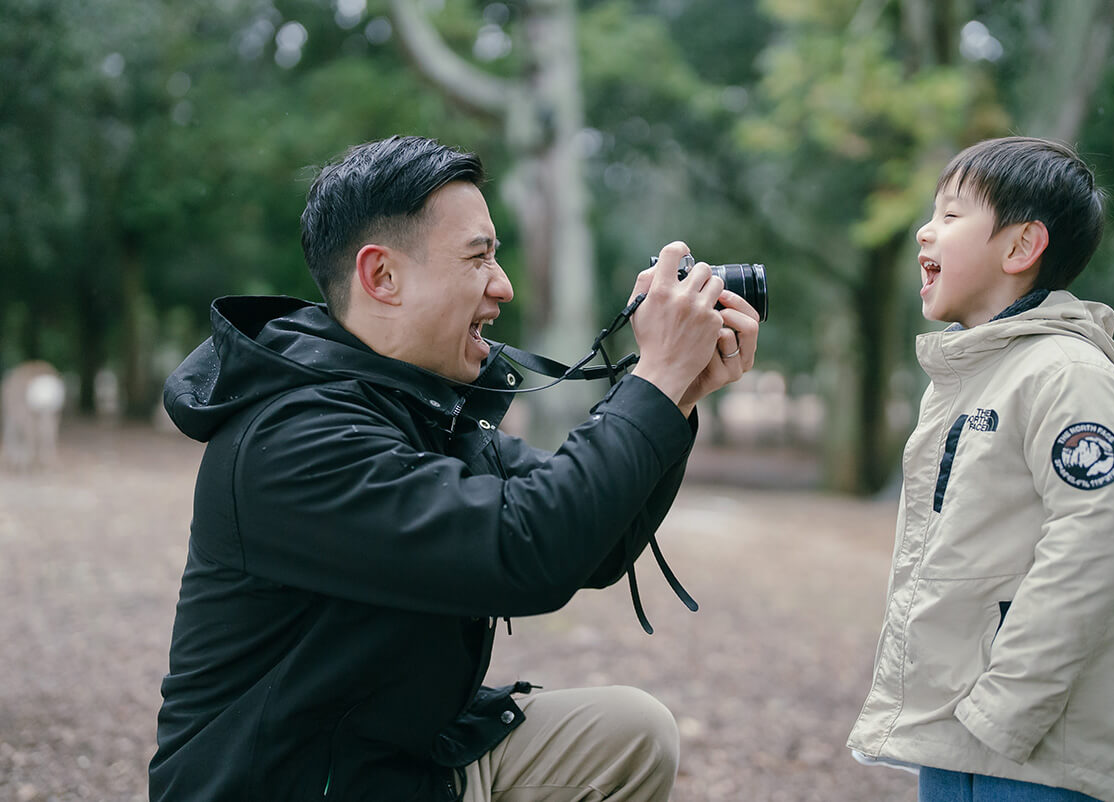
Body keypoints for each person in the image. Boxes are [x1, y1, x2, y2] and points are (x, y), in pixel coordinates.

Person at [148, 134, 759, 802]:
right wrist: (654, 382)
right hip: (293, 783)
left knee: (631, 733)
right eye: (479, 258)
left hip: (401, 764)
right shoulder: (292, 440)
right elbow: (527, 553)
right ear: (382, 277)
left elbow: (591, 543)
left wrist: (678, 395)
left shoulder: (420, 405)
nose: (504, 285)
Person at [845, 136, 1114, 802]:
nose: (925, 231)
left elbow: (1104, 536)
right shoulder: (972, 377)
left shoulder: (1067, 375)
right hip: (956, 739)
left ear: (1020, 248)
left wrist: (1005, 706)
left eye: (952, 214)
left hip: (1036, 757)